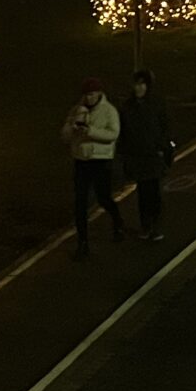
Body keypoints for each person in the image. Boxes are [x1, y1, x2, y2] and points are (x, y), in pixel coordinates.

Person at [60, 77, 123, 257]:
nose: (89, 98)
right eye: (87, 95)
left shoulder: (109, 111)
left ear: (99, 94)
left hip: (100, 160)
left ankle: (117, 221)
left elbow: (113, 134)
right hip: (81, 160)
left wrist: (91, 132)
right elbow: (64, 135)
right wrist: (73, 128)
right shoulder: (77, 111)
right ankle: (83, 242)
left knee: (103, 197)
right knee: (80, 202)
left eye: (92, 94)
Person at [118, 69, 174, 242]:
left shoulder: (156, 104)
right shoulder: (128, 107)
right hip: (138, 156)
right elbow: (124, 132)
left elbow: (166, 127)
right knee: (142, 193)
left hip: (153, 155)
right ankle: (146, 226)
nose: (139, 88)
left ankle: (155, 226)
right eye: (136, 84)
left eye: (142, 84)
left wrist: (161, 147)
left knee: (154, 192)